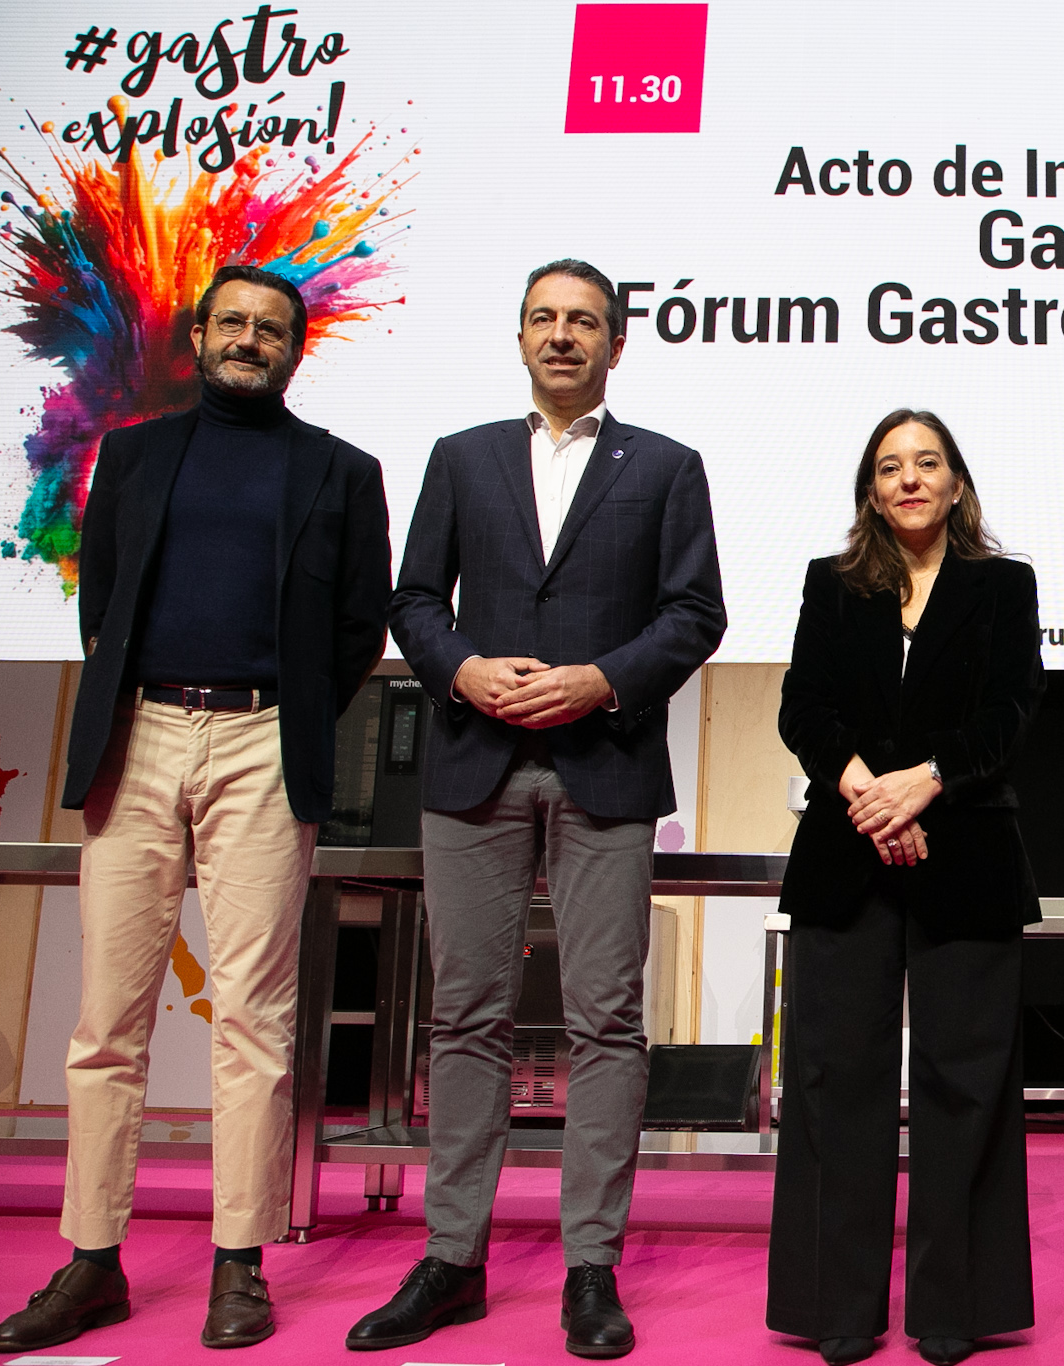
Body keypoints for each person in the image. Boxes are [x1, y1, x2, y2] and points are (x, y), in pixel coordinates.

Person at [0, 266, 391, 1354]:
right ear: (200, 335)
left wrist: (285, 714)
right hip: (140, 735)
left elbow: (357, 629)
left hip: (265, 742)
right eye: (234, 323)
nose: (251, 340)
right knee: (105, 1022)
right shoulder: (133, 453)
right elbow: (103, 604)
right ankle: (91, 1262)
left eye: (272, 329)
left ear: (294, 350)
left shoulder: (343, 471)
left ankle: (239, 1264)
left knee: (254, 1018)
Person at [356, 260, 725, 1358]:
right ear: (520, 336)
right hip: (475, 762)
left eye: (584, 322)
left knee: (605, 1020)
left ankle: (590, 1266)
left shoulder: (666, 466)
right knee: (464, 1016)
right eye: (544, 319)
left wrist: (600, 680)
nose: (563, 336)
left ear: (617, 343)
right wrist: (461, 669)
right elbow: (412, 598)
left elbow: (693, 612)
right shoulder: (461, 457)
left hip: (604, 763)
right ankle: (452, 1259)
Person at [767, 410, 1042, 1366]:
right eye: (891, 467)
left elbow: (1012, 711)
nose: (910, 479)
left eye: (928, 463)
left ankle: (954, 1304)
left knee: (967, 1080)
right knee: (835, 1076)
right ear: (871, 490)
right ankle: (834, 1304)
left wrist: (924, 783)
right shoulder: (832, 584)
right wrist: (870, 796)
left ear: (957, 483)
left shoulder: (1004, 586)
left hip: (967, 849)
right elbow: (803, 707)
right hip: (846, 850)